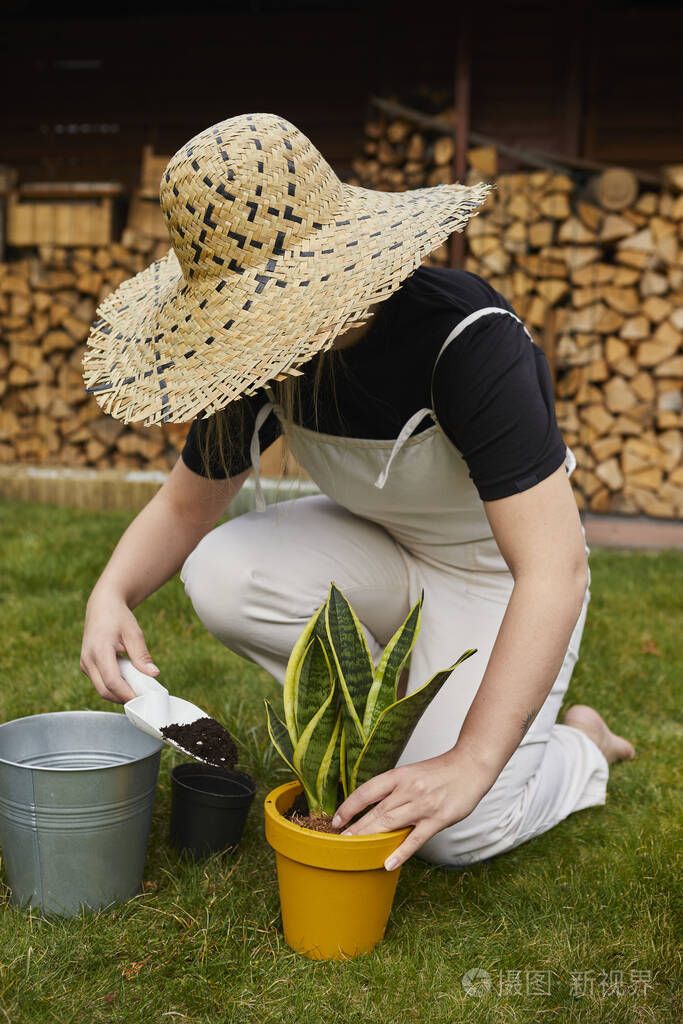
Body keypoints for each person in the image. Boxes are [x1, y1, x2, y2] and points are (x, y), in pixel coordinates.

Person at [80, 112, 635, 873]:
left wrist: (470, 763)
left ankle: (581, 747)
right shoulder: (252, 349)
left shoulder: (465, 336)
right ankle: (406, 715)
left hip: (500, 576)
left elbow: (553, 569)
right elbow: (186, 504)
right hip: (383, 551)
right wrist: (110, 594)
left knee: (454, 832)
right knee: (221, 571)